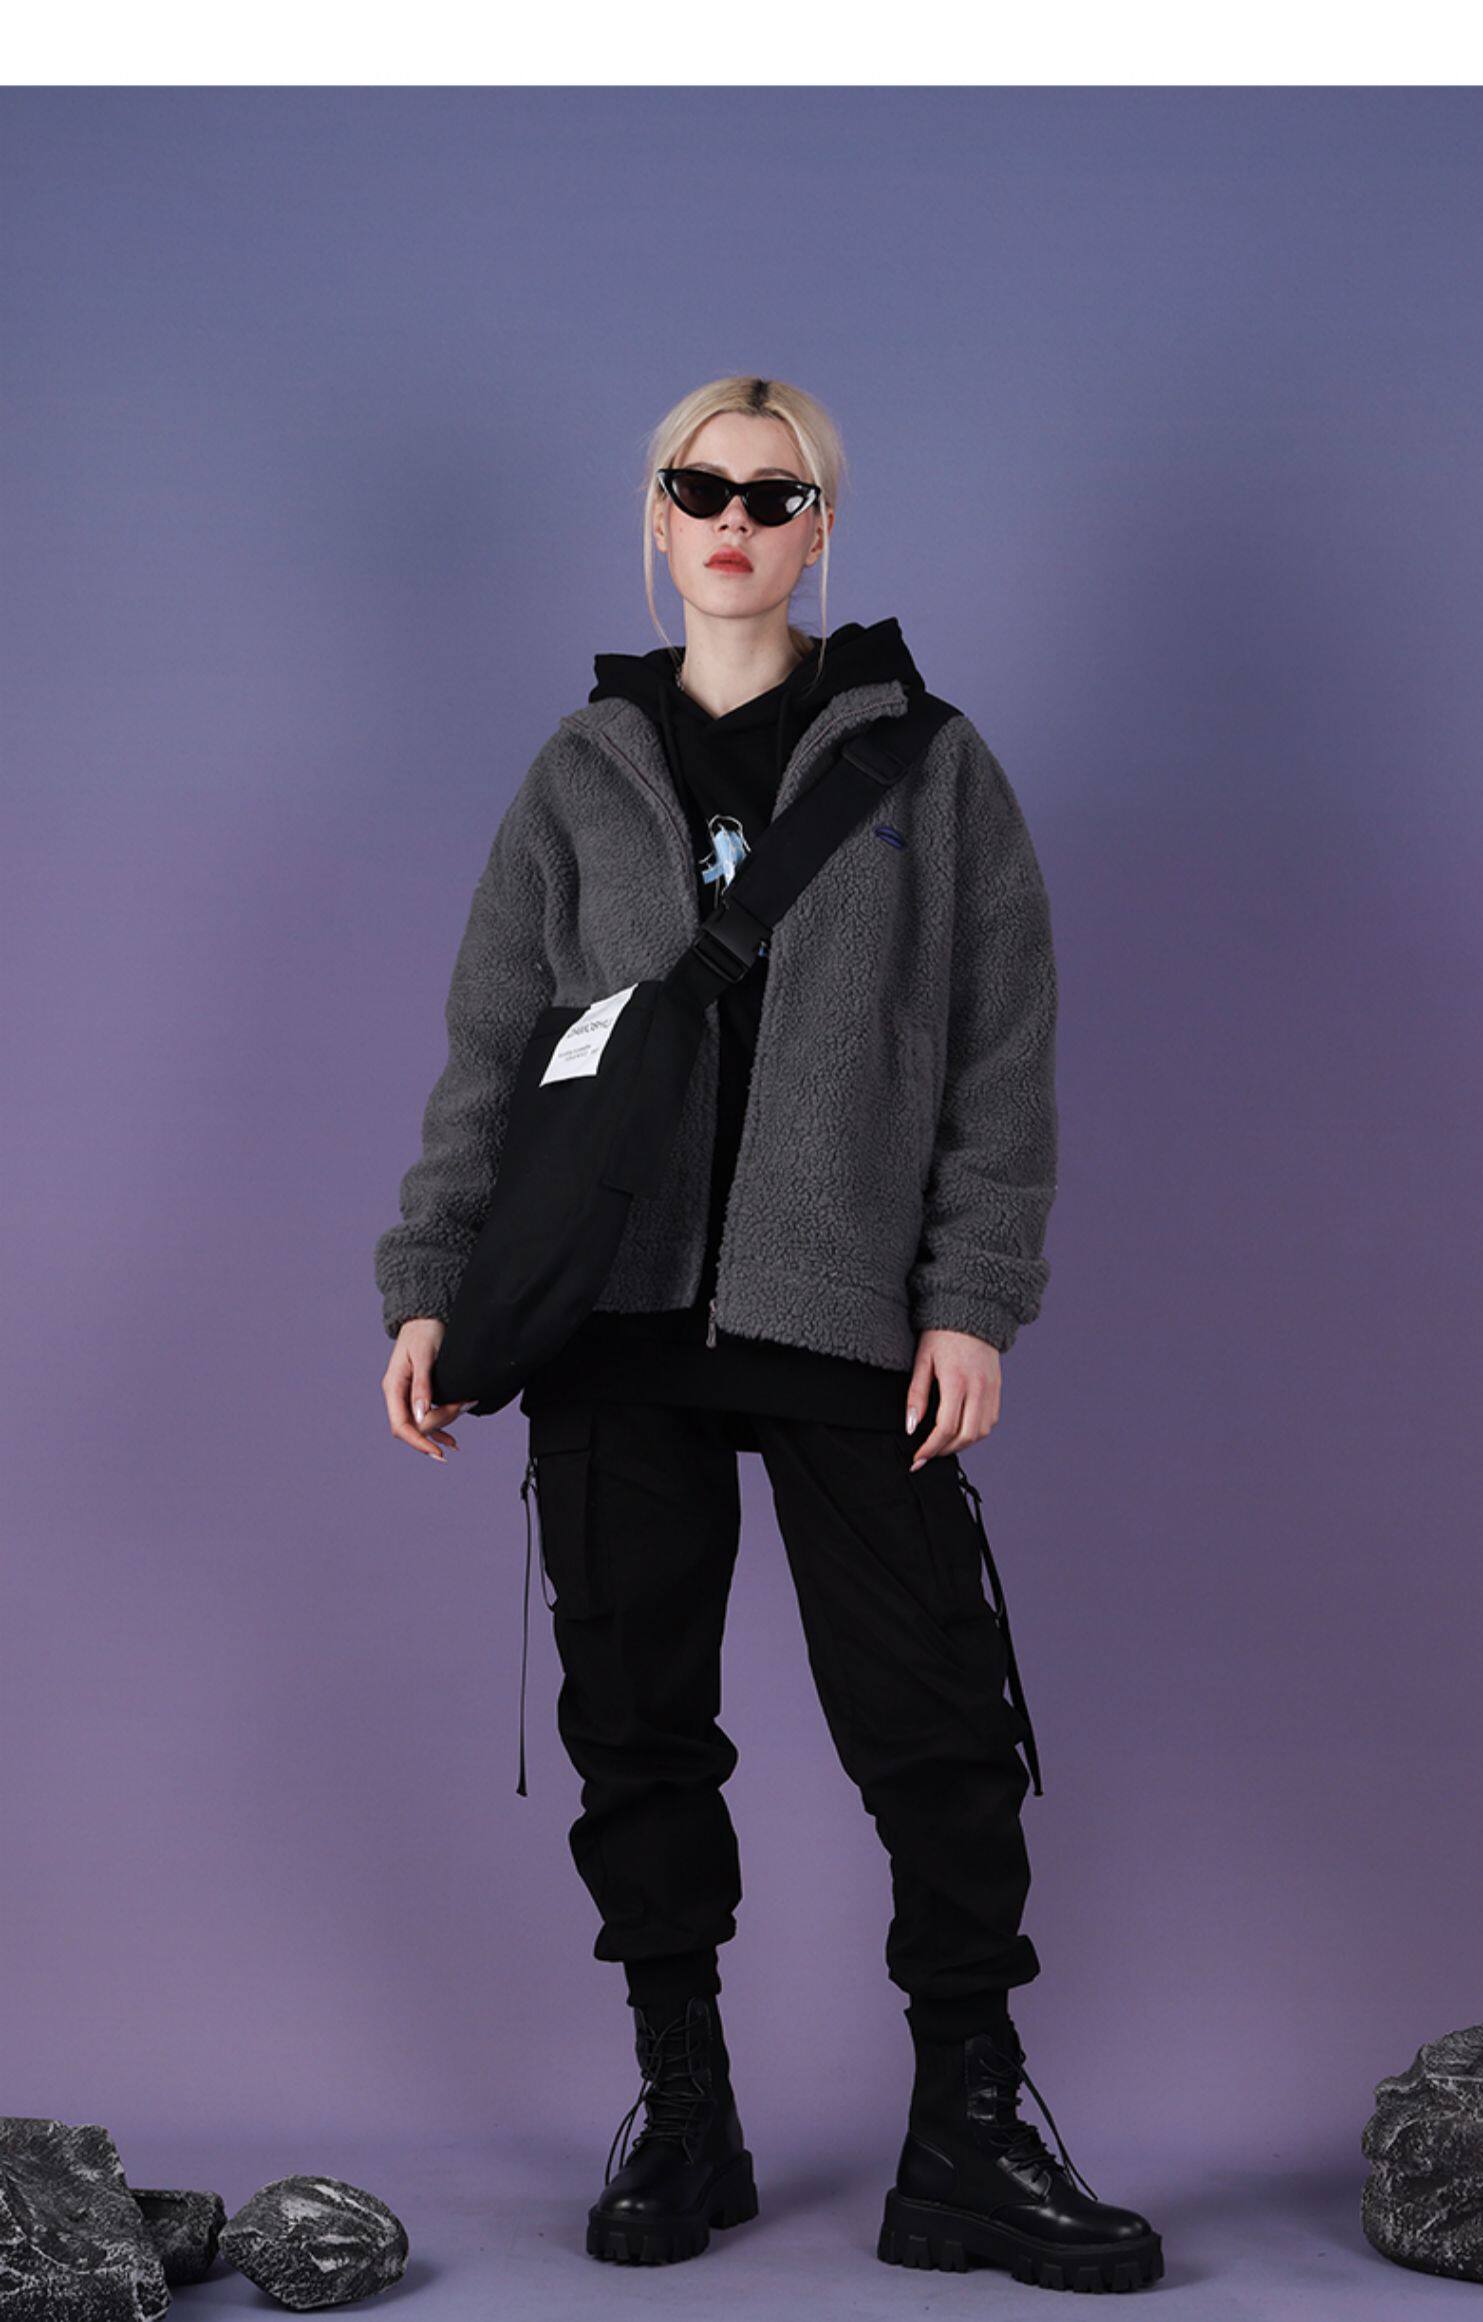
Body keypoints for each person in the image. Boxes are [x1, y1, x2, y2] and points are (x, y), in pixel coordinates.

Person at [373, 375, 1164, 2293]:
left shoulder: (930, 766)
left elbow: (1001, 1054)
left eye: (774, 493)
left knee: (937, 1726)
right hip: (612, 1311)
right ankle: (688, 2109)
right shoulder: (577, 773)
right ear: (657, 518)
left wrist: (972, 1299)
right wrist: (430, 1276)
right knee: (637, 1728)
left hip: (840, 1311)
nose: (734, 521)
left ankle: (967, 2130)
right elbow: (492, 1049)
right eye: (700, 487)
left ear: (822, 528)